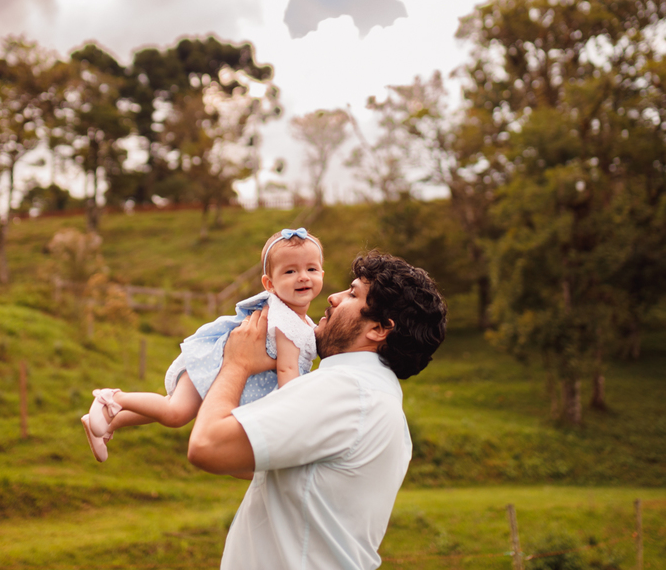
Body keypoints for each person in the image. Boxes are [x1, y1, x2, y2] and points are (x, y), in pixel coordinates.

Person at [188, 250, 447, 570]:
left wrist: (237, 363)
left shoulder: (345, 390)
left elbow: (207, 446)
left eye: (353, 293)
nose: (334, 298)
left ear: (379, 329)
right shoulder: (375, 397)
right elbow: (260, 467)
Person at [82, 228, 324, 462]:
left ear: (322, 274)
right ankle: (113, 398)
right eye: (290, 271)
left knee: (172, 409)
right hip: (214, 363)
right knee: (175, 413)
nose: (303, 276)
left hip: (216, 368)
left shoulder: (300, 321)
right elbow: (287, 371)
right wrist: (295, 410)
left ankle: (107, 422)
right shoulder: (286, 322)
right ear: (269, 283)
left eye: (311, 268)